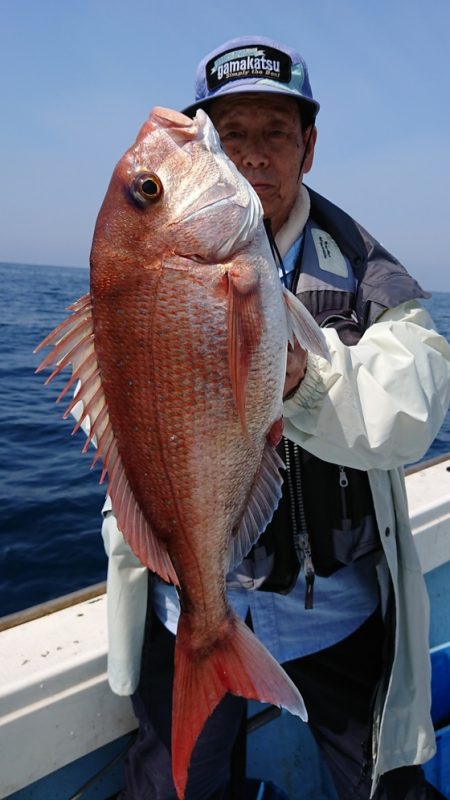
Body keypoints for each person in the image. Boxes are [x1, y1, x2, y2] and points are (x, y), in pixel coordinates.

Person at [101, 36, 450, 799]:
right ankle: (207, 641)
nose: (254, 155)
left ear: (309, 147)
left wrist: (302, 377)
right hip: (186, 604)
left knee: (387, 786)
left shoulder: (369, 270)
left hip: (335, 612)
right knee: (173, 787)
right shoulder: (156, 274)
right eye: (231, 136)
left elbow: (418, 409)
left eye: (276, 134)